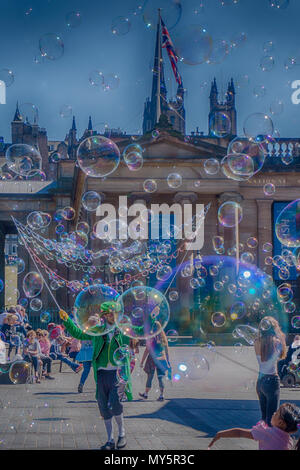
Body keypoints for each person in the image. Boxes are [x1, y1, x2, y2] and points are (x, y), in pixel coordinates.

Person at [59, 301, 132, 450]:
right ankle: (110, 440)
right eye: (110, 313)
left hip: (117, 374)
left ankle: (122, 434)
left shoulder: (123, 330)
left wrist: (152, 317)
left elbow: (140, 330)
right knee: (103, 406)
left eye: (115, 313)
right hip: (101, 374)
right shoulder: (97, 330)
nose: (113, 316)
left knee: (115, 403)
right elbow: (78, 333)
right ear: (105, 316)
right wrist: (67, 320)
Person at [208, 402, 300, 450]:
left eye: (277, 413)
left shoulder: (267, 434)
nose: (274, 413)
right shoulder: (289, 441)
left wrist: (220, 434)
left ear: (280, 423)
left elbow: (240, 433)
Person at [254, 316, 287, 426]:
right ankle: (270, 442)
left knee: (264, 418)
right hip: (272, 381)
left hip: (260, 381)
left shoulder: (256, 342)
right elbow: (282, 355)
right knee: (272, 419)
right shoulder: (276, 342)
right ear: (273, 328)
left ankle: (262, 441)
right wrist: (280, 335)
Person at [139, 326, 171, 402]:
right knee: (160, 377)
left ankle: (146, 394)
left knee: (150, 376)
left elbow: (147, 350)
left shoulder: (151, 337)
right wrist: (168, 362)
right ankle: (162, 395)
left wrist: (142, 362)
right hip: (161, 359)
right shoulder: (163, 338)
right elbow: (167, 351)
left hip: (152, 359)